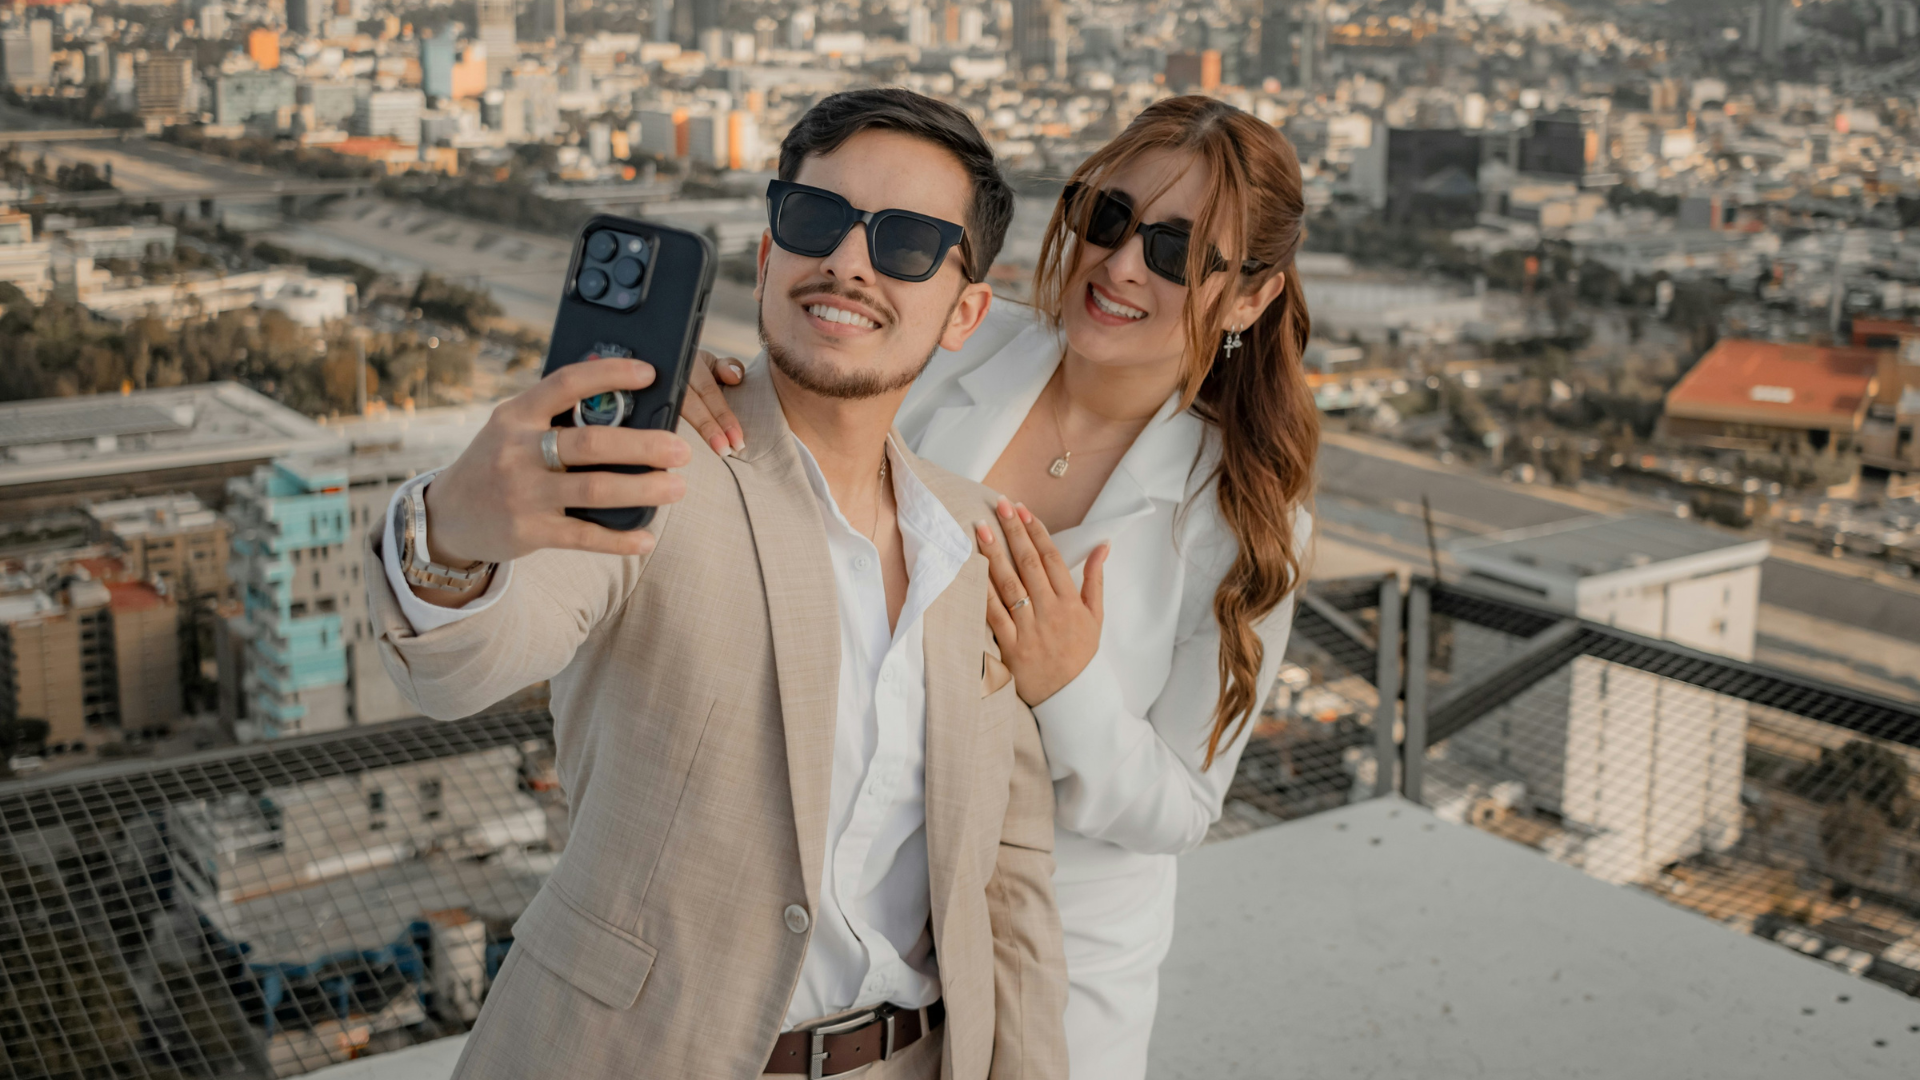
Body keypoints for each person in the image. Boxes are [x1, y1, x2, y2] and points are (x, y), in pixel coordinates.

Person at [364, 88, 1069, 1080]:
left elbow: (1011, 878)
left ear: (965, 312)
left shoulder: (979, 538)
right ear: (772, 250)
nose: (849, 263)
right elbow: (462, 663)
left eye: (906, 242)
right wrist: (454, 530)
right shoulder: (656, 463)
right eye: (817, 221)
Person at [681, 96, 1318, 1079]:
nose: (1118, 265)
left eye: (1177, 251)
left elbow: (1182, 808)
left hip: (1060, 969)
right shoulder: (952, 339)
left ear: (1249, 297)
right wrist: (699, 391)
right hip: (851, 933)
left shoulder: (1246, 520)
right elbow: (788, 423)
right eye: (1107, 218)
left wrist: (1069, 687)